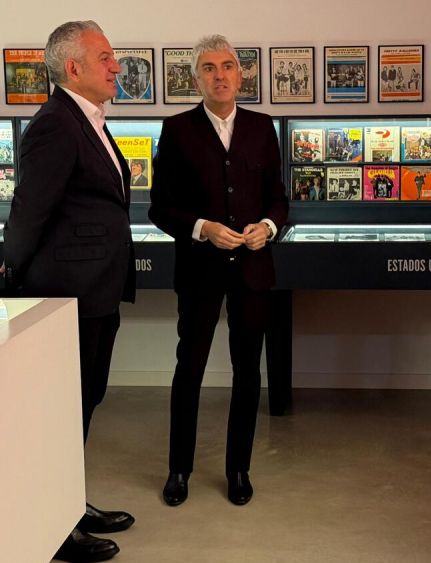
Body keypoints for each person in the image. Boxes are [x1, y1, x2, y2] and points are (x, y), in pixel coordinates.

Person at [2, 20, 136, 563]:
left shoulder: (87, 119)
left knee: (84, 401)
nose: (116, 66)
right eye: (105, 57)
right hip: (66, 296)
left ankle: (70, 505)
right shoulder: (56, 124)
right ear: (73, 67)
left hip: (95, 291)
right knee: (63, 411)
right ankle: (56, 528)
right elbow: (29, 210)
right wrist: (16, 277)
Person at [150, 34, 288, 509]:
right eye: (208, 68)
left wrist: (267, 227)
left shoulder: (262, 128)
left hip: (253, 270)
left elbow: (278, 199)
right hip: (199, 271)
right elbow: (160, 208)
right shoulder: (177, 130)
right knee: (189, 368)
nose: (219, 75)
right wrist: (202, 228)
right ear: (196, 80)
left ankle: (238, 469)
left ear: (240, 74)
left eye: (227, 66)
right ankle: (179, 469)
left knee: (248, 371)